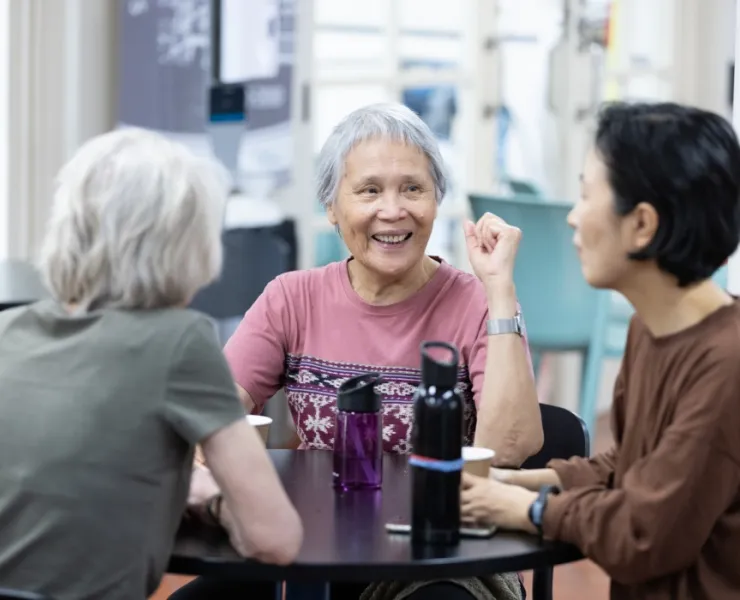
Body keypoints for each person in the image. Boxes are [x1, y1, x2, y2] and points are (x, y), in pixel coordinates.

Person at [173, 103, 542, 599]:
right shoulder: (292, 297)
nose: (393, 210)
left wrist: (499, 290)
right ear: (332, 207)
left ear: (436, 201)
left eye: (413, 188)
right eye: (369, 190)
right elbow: (211, 413)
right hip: (313, 551)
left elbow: (509, 448)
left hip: (443, 558)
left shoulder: (478, 301)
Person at [0, 128, 303, 600]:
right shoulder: (178, 341)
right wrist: (211, 498)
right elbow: (275, 538)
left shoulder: (8, 330)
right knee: (249, 585)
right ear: (188, 243)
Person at [459, 102, 740, 600]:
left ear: (643, 225)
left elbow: (643, 532)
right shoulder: (650, 327)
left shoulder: (727, 362)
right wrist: (506, 482)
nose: (572, 216)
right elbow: (631, 470)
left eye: (587, 193)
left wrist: (518, 509)